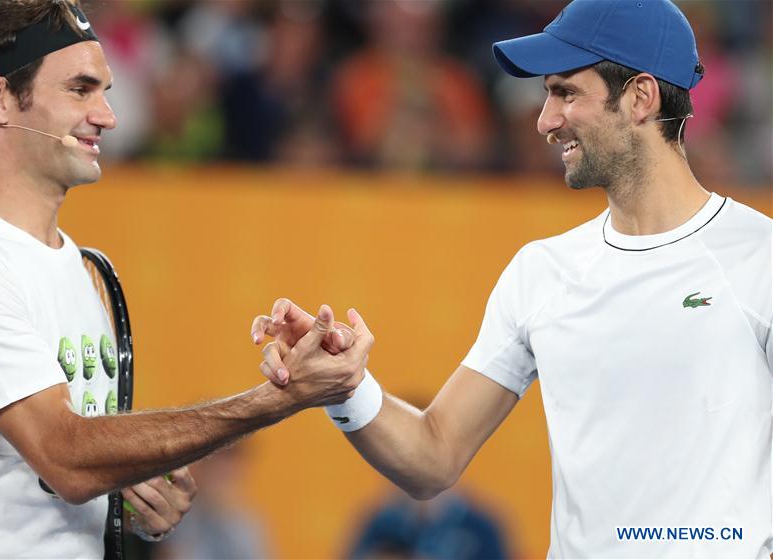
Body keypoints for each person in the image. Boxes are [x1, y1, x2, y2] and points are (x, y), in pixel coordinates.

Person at [253, 0, 772, 557]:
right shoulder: (540, 271)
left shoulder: (760, 258)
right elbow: (433, 456)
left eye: (566, 93)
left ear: (641, 97)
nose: (545, 121)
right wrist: (347, 387)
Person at [0, 0, 368, 557]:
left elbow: (69, 469)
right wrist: (277, 398)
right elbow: (66, 458)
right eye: (80, 90)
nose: (108, 116)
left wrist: (137, 497)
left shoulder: (81, 268)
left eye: (104, 91)